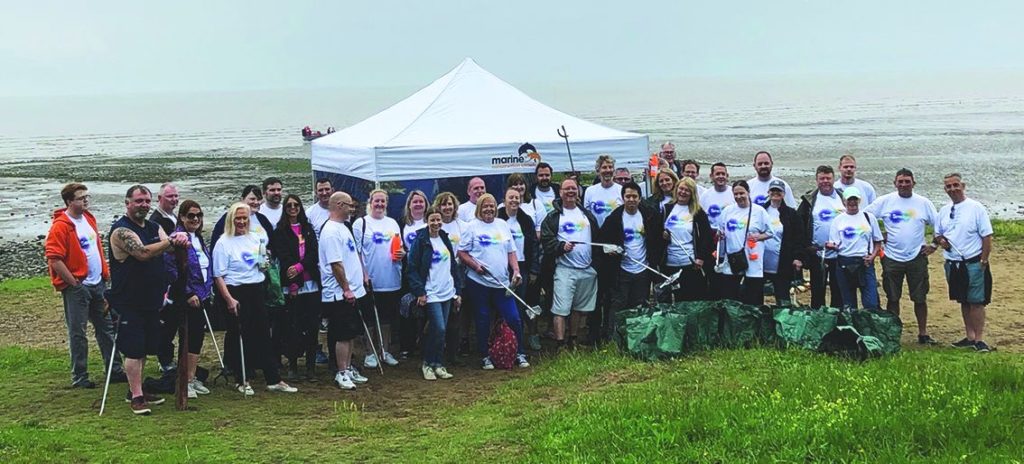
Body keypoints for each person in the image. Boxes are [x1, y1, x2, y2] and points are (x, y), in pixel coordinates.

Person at [107, 185, 190, 415]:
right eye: (138, 201)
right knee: (133, 349)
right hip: (128, 300)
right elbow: (143, 253)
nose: (143, 205)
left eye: (146, 201)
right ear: (127, 203)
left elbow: (169, 248)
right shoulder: (121, 231)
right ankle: (136, 397)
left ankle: (138, 388)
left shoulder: (154, 226)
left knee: (145, 347)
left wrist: (180, 240)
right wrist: (172, 241)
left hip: (152, 298)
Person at [212, 202, 298, 396]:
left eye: (245, 218)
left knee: (262, 334)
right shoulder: (223, 242)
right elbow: (218, 276)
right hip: (235, 291)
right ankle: (241, 378)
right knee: (239, 335)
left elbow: (262, 264)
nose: (242, 222)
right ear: (231, 220)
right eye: (238, 218)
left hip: (256, 289)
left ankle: (273, 378)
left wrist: (265, 264)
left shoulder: (255, 238)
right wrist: (228, 299)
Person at [45, 183, 124, 389]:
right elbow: (54, 258)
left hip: (97, 282)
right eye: (81, 198)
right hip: (78, 287)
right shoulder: (61, 226)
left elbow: (96, 247)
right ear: (69, 201)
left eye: (87, 197)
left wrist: (104, 275)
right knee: (77, 332)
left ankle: (114, 369)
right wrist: (73, 283)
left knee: (106, 327)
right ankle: (80, 375)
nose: (85, 201)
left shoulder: (88, 219)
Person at [865, 168, 940, 344]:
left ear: (914, 183)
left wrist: (934, 245)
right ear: (895, 183)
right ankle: (893, 333)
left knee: (920, 297)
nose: (904, 185)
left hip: (917, 256)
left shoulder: (923, 203)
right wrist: (879, 235)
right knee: (892, 297)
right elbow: (865, 217)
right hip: (891, 257)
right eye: (901, 181)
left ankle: (923, 333)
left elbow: (939, 225)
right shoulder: (885, 201)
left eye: (907, 181)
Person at [457, 193, 529, 369]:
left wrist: (516, 271)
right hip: (479, 282)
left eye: (491, 206)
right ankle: (485, 354)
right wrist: (475, 267)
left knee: (514, 317)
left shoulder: (502, 225)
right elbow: (462, 253)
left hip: (502, 283)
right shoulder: (471, 227)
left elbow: (511, 251)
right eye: (485, 206)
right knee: (482, 318)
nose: (488, 209)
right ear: (479, 209)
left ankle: (519, 352)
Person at [934, 173, 994, 352]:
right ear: (945, 189)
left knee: (976, 301)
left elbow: (987, 236)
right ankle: (970, 336)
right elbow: (937, 234)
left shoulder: (976, 208)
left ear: (963, 186)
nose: (953, 189)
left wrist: (984, 259)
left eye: (955, 185)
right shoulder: (944, 210)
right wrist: (940, 240)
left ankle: (980, 339)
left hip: (974, 262)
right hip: (953, 263)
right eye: (949, 186)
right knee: (963, 300)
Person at [320, 192, 373, 389]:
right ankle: (341, 372)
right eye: (350, 206)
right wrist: (346, 288)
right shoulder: (331, 231)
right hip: (340, 293)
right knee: (342, 334)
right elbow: (336, 264)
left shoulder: (343, 227)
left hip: (355, 290)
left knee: (351, 333)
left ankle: (349, 367)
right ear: (340, 205)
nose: (352, 209)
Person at [540, 177, 601, 349]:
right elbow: (546, 240)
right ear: (560, 192)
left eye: (573, 188)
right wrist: (560, 246)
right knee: (561, 309)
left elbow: (596, 238)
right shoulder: (553, 217)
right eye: (566, 189)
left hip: (587, 268)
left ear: (578, 191)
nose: (570, 192)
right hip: (564, 269)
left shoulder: (587, 215)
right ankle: (560, 344)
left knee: (578, 308)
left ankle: (573, 340)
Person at [162, 200, 214, 398]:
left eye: (198, 215)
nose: (195, 219)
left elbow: (205, 267)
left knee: (197, 339)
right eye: (190, 215)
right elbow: (172, 270)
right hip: (186, 297)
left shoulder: (199, 239)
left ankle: (192, 377)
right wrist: (188, 293)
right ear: (182, 217)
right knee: (187, 338)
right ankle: (184, 379)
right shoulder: (176, 238)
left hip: (203, 296)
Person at [406, 207, 462, 380]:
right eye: (433, 220)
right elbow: (412, 268)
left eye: (439, 220)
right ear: (427, 221)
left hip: (447, 290)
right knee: (438, 327)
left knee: (441, 331)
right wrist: (420, 292)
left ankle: (438, 363)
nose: (436, 223)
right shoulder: (421, 240)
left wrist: (457, 292)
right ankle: (427, 363)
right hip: (431, 292)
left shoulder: (444, 238)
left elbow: (453, 266)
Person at [272, 194, 321, 380]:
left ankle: (311, 367)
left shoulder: (308, 229)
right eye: (289, 205)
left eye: (296, 205)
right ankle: (293, 365)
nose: (293, 208)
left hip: (311, 284)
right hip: (292, 286)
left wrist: (301, 266)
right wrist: (292, 281)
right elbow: (283, 257)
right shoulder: (280, 231)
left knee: (312, 326)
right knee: (292, 326)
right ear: (285, 208)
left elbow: (314, 252)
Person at [351, 189, 402, 368]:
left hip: (391, 278)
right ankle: (370, 352)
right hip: (370, 279)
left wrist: (401, 254)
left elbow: (399, 247)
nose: (379, 204)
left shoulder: (393, 223)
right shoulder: (361, 223)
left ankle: (384, 350)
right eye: (376, 201)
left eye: (383, 201)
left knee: (386, 319)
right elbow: (356, 252)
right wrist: (363, 274)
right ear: (370, 202)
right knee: (371, 318)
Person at [599, 181, 663, 321]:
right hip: (622, 270)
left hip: (643, 268)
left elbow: (658, 240)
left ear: (640, 198)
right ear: (623, 198)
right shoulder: (614, 218)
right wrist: (609, 249)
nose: (631, 200)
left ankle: (637, 337)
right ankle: (613, 338)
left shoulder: (650, 215)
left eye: (635, 196)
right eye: (628, 196)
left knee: (640, 305)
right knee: (618, 305)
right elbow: (603, 241)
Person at [717, 181, 774, 305]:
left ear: (748, 192)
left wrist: (758, 237)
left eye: (741, 193)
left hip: (753, 260)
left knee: (753, 298)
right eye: (735, 194)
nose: (739, 197)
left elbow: (770, 233)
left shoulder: (759, 211)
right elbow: (720, 231)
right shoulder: (727, 211)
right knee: (730, 297)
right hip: (732, 260)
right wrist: (719, 235)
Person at [826, 187, 883, 311]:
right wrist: (831, 246)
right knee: (849, 304)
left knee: (871, 302)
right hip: (844, 263)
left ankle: (869, 327)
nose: (852, 202)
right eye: (849, 199)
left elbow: (878, 241)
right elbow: (834, 243)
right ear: (844, 201)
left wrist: (872, 256)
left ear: (859, 200)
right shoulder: (838, 220)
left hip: (865, 263)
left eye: (855, 199)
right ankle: (853, 327)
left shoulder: (869, 218)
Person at [797, 165, 845, 309]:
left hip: (839, 252)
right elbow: (800, 224)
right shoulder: (809, 199)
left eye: (828, 178)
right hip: (817, 253)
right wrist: (806, 247)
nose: (825, 181)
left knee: (838, 290)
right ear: (816, 180)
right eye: (822, 178)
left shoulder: (843, 197)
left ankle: (837, 319)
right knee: (818, 291)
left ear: (833, 179)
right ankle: (818, 319)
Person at [660, 177, 714, 302]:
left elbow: (707, 236)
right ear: (676, 189)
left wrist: (700, 258)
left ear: (692, 194)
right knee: (670, 300)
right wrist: (662, 235)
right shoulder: (666, 209)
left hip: (689, 263)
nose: (683, 192)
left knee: (690, 298)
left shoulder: (698, 212)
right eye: (681, 188)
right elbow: (657, 232)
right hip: (669, 263)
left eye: (687, 190)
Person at [498, 187, 539, 349]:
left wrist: (534, 269)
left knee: (519, 306)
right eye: (510, 197)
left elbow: (534, 246)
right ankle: (502, 340)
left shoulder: (526, 219)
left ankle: (518, 342)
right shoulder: (498, 218)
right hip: (502, 268)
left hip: (522, 267)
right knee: (502, 306)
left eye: (517, 198)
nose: (514, 200)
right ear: (504, 200)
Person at [151, 182, 183, 372]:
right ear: (160, 198)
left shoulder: (173, 217)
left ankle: (170, 358)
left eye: (176, 196)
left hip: (177, 275)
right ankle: (165, 360)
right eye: (170, 196)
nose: (174, 200)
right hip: (166, 278)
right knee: (167, 322)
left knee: (174, 320)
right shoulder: (157, 222)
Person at [761, 180, 806, 305]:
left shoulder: (791, 214)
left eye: (779, 191)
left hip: (782, 264)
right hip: (761, 263)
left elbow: (799, 237)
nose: (775, 193)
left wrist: (798, 257)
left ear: (784, 193)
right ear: (768, 193)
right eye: (773, 190)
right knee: (756, 297)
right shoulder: (761, 211)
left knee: (783, 299)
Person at [211, 185, 274, 252]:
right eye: (252, 199)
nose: (256, 202)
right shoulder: (228, 218)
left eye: (259, 199)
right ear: (242, 199)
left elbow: (272, 243)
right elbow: (215, 245)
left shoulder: (263, 219)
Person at [583, 154, 623, 228]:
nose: (608, 170)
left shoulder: (621, 190)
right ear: (598, 171)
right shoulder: (589, 191)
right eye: (604, 167)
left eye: (610, 167)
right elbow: (587, 216)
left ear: (614, 170)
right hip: (596, 235)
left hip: (617, 235)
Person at [700, 162, 736, 232]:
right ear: (711, 176)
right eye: (717, 174)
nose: (721, 176)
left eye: (723, 174)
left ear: (727, 176)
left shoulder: (734, 193)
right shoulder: (705, 196)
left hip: (730, 232)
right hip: (711, 234)